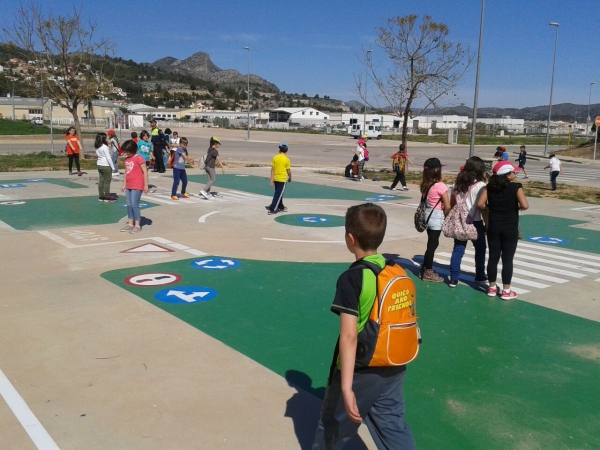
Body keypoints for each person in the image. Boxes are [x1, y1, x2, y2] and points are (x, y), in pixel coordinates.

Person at [312, 203, 416, 450]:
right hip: (394, 361)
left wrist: (346, 388)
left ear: (351, 238)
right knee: (391, 423)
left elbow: (349, 336)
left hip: (362, 368)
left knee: (334, 425)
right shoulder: (395, 269)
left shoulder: (353, 278)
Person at [477, 161, 529, 300]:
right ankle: (506, 290)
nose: (515, 174)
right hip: (510, 227)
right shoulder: (516, 187)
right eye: (513, 172)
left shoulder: (489, 188)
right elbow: (525, 205)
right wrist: (515, 208)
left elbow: (480, 204)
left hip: (494, 226)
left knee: (493, 258)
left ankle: (492, 288)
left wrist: (490, 209)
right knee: (507, 259)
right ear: (507, 176)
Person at [448, 157, 488, 288]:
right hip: (475, 222)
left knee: (458, 249)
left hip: (460, 222)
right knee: (480, 248)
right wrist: (487, 223)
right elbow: (482, 206)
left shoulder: (457, 183)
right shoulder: (481, 186)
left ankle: (454, 278)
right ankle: (480, 275)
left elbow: (453, 204)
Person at [419, 157, 451, 282]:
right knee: (432, 245)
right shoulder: (440, 186)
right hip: (436, 217)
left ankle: (426, 268)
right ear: (437, 170)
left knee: (431, 243)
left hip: (428, 216)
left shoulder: (426, 184)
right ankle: (428, 271)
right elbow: (447, 206)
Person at [120, 139, 148, 233]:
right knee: (129, 204)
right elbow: (126, 172)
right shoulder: (127, 159)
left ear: (132, 150)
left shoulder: (139, 158)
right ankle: (130, 223)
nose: (126, 153)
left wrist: (145, 185)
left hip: (137, 185)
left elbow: (145, 171)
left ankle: (137, 225)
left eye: (127, 151)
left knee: (134, 205)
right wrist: (124, 184)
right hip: (129, 185)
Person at [267, 142, 291, 215]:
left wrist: (272, 179)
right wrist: (290, 177)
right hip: (282, 179)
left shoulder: (275, 157)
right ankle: (272, 209)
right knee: (278, 194)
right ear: (287, 150)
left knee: (279, 193)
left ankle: (281, 206)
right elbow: (288, 170)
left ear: (279, 149)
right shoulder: (287, 159)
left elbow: (272, 169)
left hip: (276, 178)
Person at [94, 132, 116, 202]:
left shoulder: (97, 146)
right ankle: (107, 196)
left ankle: (101, 196)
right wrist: (113, 167)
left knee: (101, 180)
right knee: (107, 181)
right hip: (106, 165)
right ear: (103, 139)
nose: (107, 139)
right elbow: (108, 157)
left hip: (99, 164)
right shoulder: (104, 147)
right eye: (105, 138)